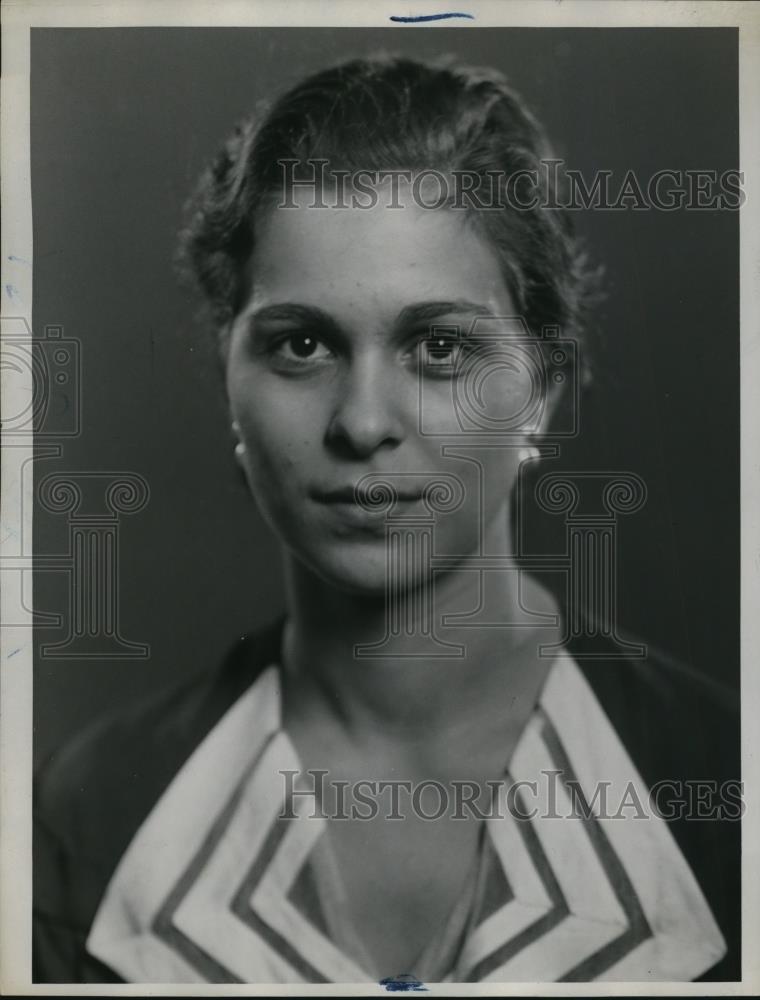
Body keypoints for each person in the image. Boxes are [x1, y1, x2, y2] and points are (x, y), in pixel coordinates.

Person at [33, 53, 740, 984]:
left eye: (440, 346)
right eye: (302, 344)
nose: (363, 422)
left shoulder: (726, 785)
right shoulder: (93, 816)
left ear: (542, 392)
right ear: (227, 381)